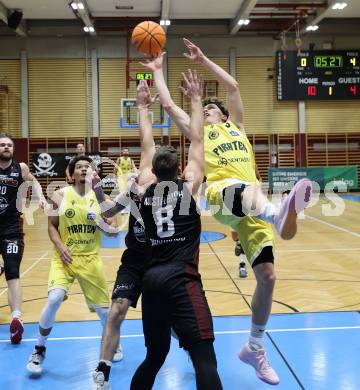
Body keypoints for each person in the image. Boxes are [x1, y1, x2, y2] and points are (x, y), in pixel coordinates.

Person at [143, 41, 312, 386]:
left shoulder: (237, 127)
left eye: (209, 109)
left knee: (267, 276)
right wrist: (159, 72)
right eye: (202, 110)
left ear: (221, 113)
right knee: (258, 203)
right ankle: (278, 212)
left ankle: (254, 346)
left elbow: (233, 86)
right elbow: (171, 104)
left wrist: (203, 59)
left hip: (251, 205)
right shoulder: (198, 134)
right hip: (223, 196)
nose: (204, 111)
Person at [130, 74, 222, 390]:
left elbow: (146, 143)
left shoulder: (144, 189)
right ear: (179, 167)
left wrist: (143, 108)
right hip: (181, 278)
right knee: (204, 359)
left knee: (154, 357)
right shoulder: (190, 188)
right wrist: (196, 100)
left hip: (151, 280)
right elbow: (198, 141)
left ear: (153, 170)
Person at [90, 84, 159, 390]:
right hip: (134, 260)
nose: (148, 167)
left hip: (162, 261)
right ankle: (102, 370)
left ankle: (198, 354)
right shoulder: (133, 189)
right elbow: (107, 212)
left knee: (168, 323)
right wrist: (96, 189)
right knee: (117, 308)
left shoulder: (175, 190)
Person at [26, 156, 121, 376]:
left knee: (105, 312)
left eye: (87, 167)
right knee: (54, 298)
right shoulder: (59, 196)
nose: (83, 169)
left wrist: (102, 221)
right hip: (64, 257)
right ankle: (39, 349)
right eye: (79, 167)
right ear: (71, 175)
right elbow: (51, 226)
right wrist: (60, 246)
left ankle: (114, 343)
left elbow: (113, 230)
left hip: (90, 258)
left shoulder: (102, 198)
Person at [0, 133, 47, 344]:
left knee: (13, 272)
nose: (6, 147)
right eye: (2, 144)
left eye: (9, 144)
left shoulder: (21, 168)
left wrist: (43, 199)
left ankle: (16, 318)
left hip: (11, 229)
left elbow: (34, 181)